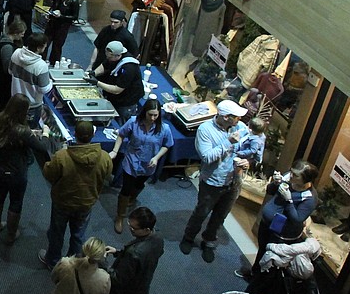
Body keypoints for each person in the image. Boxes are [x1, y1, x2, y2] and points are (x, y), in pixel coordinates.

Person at [179, 99, 251, 263]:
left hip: (233, 180)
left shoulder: (240, 127)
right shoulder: (205, 130)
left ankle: (209, 240)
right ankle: (189, 237)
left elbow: (248, 147)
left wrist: (247, 161)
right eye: (236, 117)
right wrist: (228, 142)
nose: (239, 120)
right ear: (226, 117)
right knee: (202, 212)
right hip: (213, 181)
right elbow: (207, 157)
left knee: (221, 215)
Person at [39, 121, 113, 268]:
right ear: (93, 135)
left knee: (57, 233)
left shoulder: (62, 156)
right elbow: (107, 175)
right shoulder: (105, 157)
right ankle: (74, 263)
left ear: (75, 134)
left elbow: (48, 173)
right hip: (86, 203)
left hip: (62, 202)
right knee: (78, 235)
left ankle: (53, 261)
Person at [0, 95, 52, 244]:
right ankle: (11, 234)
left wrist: (31, 134)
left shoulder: (0, 119)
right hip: (16, 171)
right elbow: (42, 148)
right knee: (16, 201)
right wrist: (45, 134)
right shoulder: (23, 131)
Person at [243, 159, 319, 276]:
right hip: (267, 223)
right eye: (291, 172)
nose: (291, 176)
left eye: (296, 175)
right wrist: (276, 183)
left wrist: (288, 200)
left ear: (306, 180)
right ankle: (254, 273)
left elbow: (297, 219)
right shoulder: (288, 177)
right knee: (262, 249)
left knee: (271, 257)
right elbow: (270, 191)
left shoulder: (309, 198)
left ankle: (259, 282)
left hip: (281, 231)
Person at [109, 99, 173, 232]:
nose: (153, 118)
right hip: (132, 162)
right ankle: (120, 216)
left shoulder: (164, 128)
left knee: (139, 185)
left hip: (148, 165)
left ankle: (132, 199)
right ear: (144, 112)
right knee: (125, 189)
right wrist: (115, 151)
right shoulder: (133, 122)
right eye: (150, 115)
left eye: (156, 115)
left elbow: (167, 145)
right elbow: (121, 134)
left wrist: (156, 157)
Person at [10, 32, 53, 128]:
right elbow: (44, 89)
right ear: (38, 48)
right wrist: (51, 82)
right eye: (44, 46)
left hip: (14, 100)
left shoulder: (16, 53)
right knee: (28, 131)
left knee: (13, 127)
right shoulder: (41, 66)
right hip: (31, 106)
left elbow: (10, 71)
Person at [45, 0, 80, 66]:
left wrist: (61, 16)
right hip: (51, 24)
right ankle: (41, 61)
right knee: (45, 43)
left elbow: (75, 17)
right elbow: (53, 8)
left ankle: (53, 64)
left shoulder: (73, 0)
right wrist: (49, 14)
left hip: (62, 27)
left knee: (57, 47)